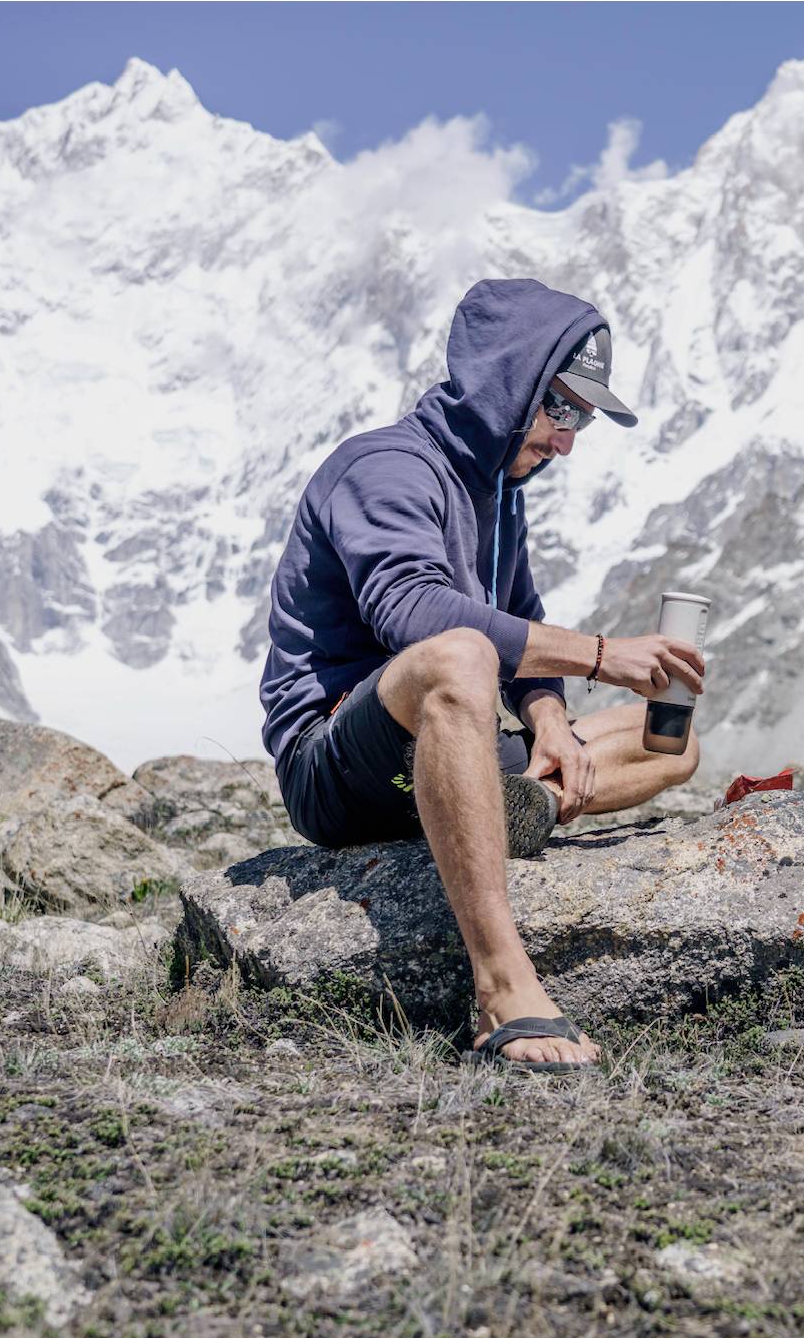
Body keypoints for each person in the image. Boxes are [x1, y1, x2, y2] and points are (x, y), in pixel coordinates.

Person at [259, 278, 706, 1072]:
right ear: (506, 382)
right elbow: (414, 614)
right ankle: (502, 982)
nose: (568, 438)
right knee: (459, 652)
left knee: (668, 739)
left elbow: (522, 614)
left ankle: (496, 799)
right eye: (560, 407)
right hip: (336, 759)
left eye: (584, 418)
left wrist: (550, 724)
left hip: (443, 739)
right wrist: (604, 655)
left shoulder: (501, 489)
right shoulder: (384, 467)